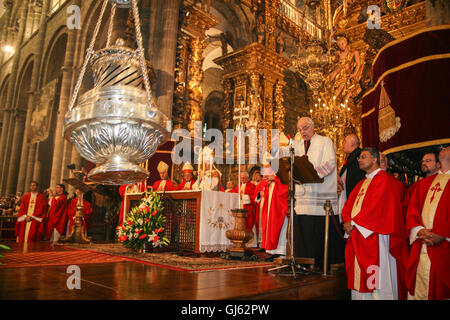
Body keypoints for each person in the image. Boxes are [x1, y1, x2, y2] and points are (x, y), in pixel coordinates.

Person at [342, 148, 408, 300]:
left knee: (376, 279)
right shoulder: (362, 183)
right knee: (360, 279)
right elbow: (349, 205)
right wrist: (347, 222)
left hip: (375, 237)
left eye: (363, 157)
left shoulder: (385, 180)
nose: (359, 160)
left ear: (374, 159)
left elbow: (378, 208)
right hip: (358, 235)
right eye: (359, 157)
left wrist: (354, 223)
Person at [292, 117, 343, 269]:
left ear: (313, 127)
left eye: (305, 128)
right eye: (300, 129)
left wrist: (314, 175)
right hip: (302, 197)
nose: (302, 132)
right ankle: (303, 264)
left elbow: (330, 163)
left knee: (318, 232)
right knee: (304, 232)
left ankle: (320, 265)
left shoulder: (325, 141)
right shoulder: (296, 144)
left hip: (320, 196)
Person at [405, 146, 450, 300]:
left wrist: (443, 234)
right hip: (422, 244)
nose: (444, 148)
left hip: (445, 247)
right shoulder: (423, 184)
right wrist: (418, 230)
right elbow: (412, 210)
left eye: (448, 147)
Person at [255, 157, 289, 259]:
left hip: (280, 207)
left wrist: (275, 179)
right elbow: (261, 191)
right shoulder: (269, 179)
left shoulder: (282, 173)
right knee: (271, 227)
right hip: (271, 208)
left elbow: (286, 186)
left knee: (281, 228)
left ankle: (281, 252)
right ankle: (273, 251)